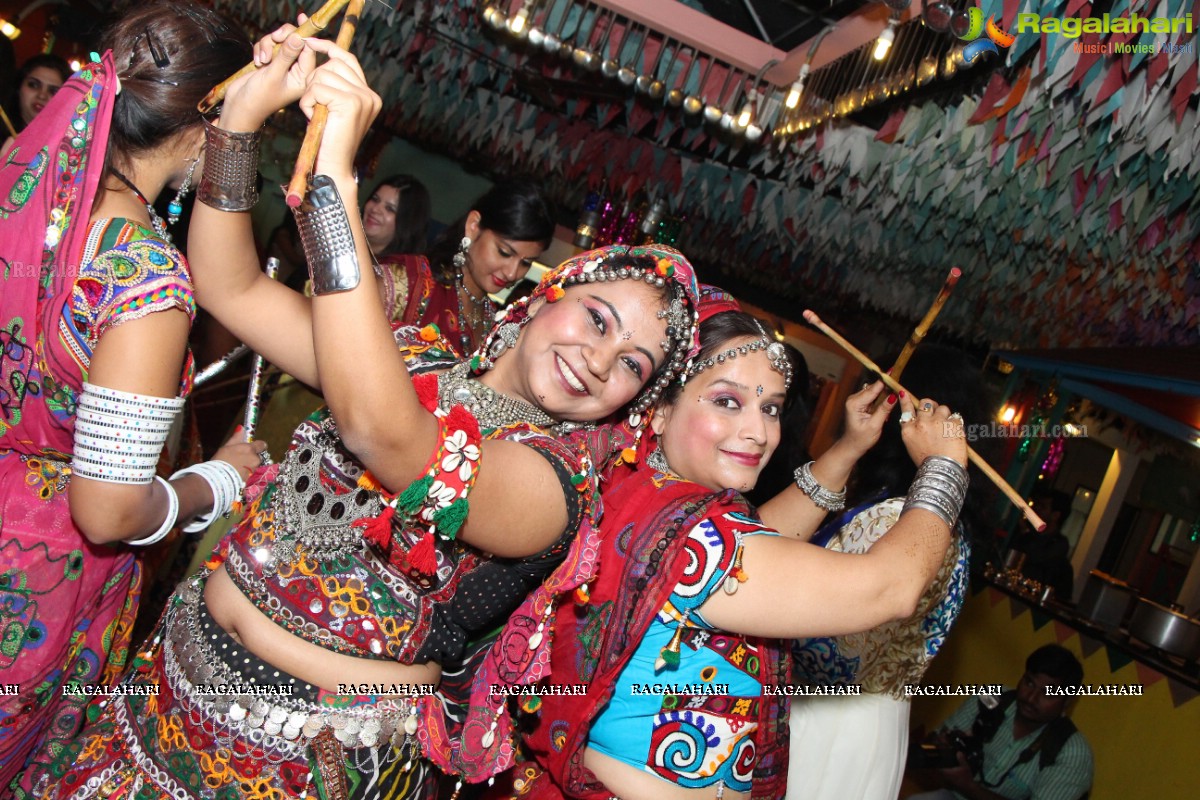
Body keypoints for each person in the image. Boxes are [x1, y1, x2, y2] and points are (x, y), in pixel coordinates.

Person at [31, 26, 704, 800]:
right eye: (597, 318)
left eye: (632, 366)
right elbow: (232, 288)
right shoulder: (413, 356)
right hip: (164, 690)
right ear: (540, 301)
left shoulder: (553, 486)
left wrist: (334, 183)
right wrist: (239, 127)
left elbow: (387, 438)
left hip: (303, 770)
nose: (599, 358)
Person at [507, 306, 972, 800]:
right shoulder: (702, 536)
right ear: (661, 408)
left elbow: (755, 552)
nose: (759, 432)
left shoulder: (642, 494)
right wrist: (944, 470)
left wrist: (847, 450)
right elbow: (889, 588)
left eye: (770, 408)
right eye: (728, 401)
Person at [0, 3, 265, 792]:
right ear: (207, 123)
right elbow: (108, 512)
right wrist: (220, 479)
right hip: (33, 574)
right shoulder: (141, 279)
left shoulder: (18, 190)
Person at [787, 344, 988, 800]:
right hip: (876, 725)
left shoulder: (899, 517)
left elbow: (832, 645)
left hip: (825, 721)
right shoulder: (941, 520)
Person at [908, 644, 1094, 800]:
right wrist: (941, 751)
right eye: (1029, 683)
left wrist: (967, 786)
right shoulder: (990, 699)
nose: (1031, 697)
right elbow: (929, 747)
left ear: (1067, 701)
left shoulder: (1072, 752)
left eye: (1047, 693)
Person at [1, 53, 71, 154]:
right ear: (19, 87)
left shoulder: (65, 150)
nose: (42, 95)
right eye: (33, 85)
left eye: (53, 91)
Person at [1010, 493, 1074, 599]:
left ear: (1055, 515)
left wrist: (1025, 532)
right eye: (1037, 504)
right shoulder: (1025, 534)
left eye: (1043, 506)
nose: (1037, 509)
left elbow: (1037, 557)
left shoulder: (1058, 544)